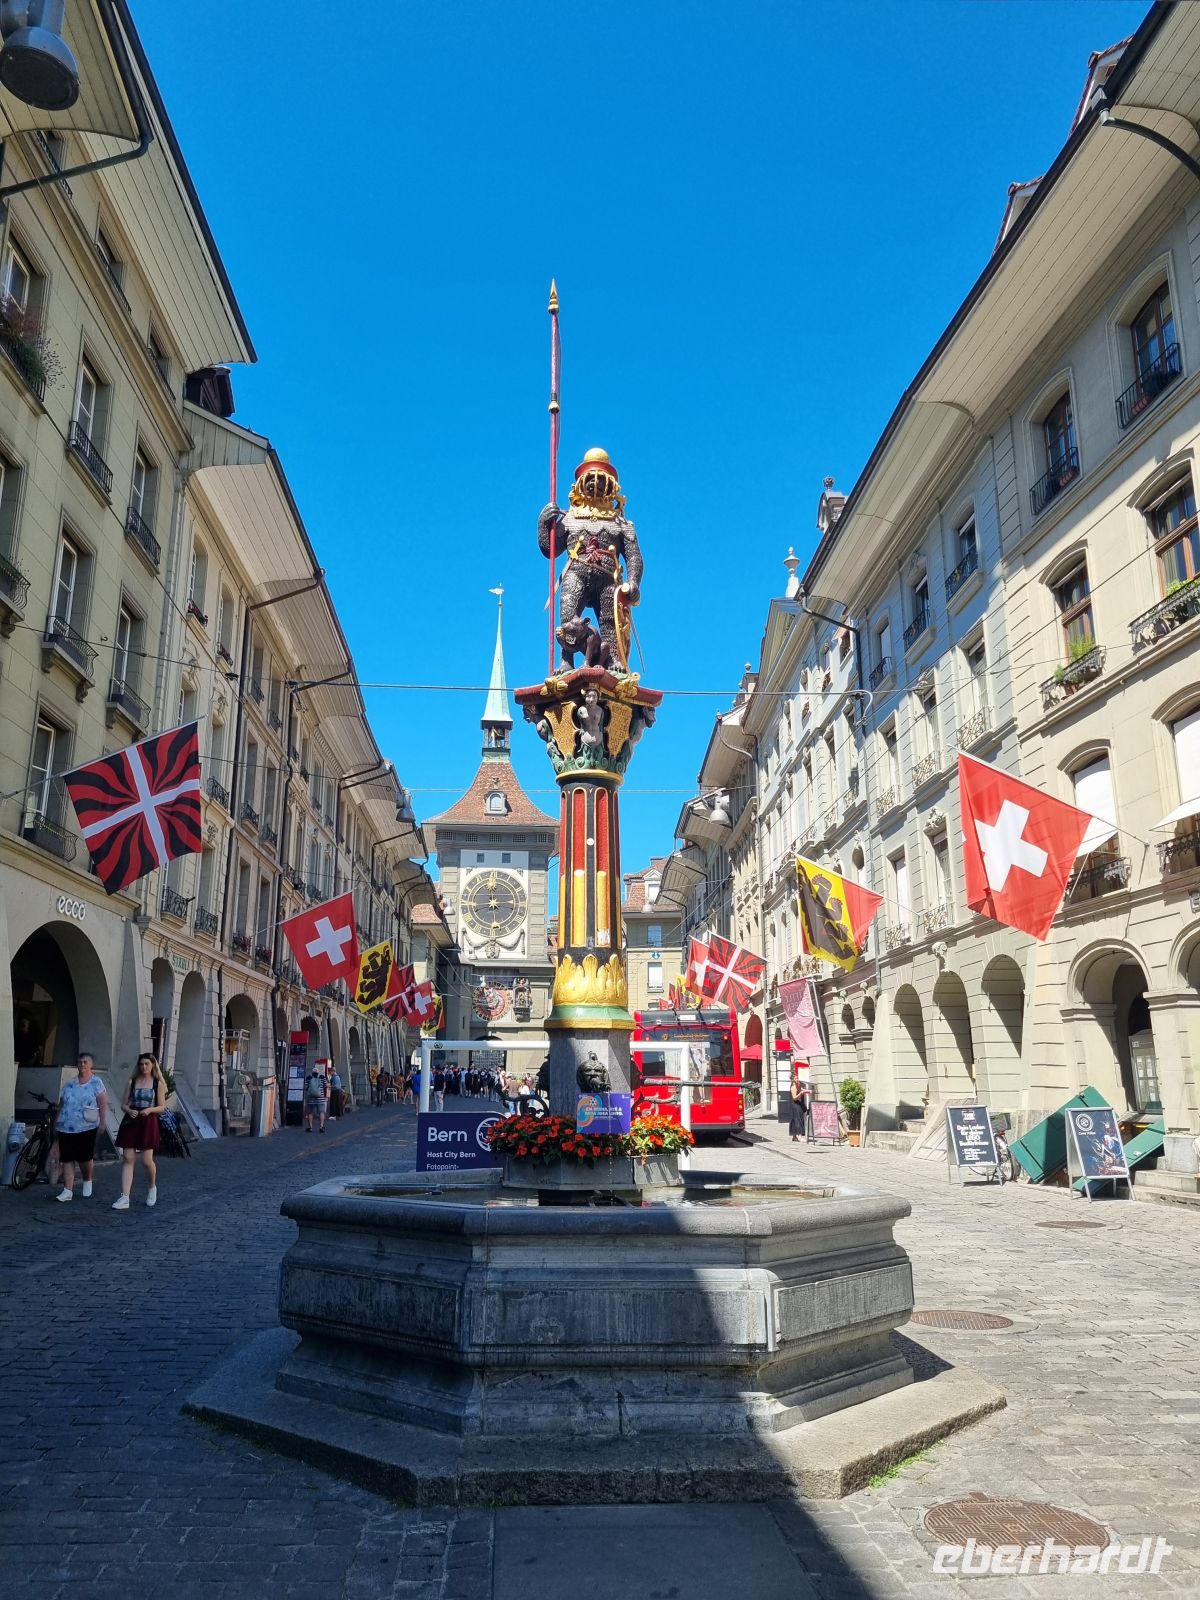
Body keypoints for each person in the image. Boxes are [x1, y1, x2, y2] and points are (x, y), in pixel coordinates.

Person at [112, 1052, 166, 1210]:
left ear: (153, 1065)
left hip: (148, 1121)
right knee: (128, 1158)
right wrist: (129, 1110)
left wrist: (150, 1110)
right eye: (141, 1064)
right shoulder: (132, 1082)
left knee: (147, 1160)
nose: (144, 1067)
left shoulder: (158, 1084)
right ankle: (125, 1197)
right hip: (131, 1121)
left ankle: (152, 1187)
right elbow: (124, 1104)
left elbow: (162, 1107)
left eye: (147, 1064)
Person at [55, 1053, 108, 1202]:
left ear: (91, 1065)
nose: (82, 1065)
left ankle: (87, 1179)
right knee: (67, 1158)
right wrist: (56, 1120)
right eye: (80, 1062)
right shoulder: (70, 1083)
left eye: (85, 1062)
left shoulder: (96, 1082)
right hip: (66, 1125)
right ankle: (68, 1190)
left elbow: (103, 1103)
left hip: (87, 1126)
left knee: (85, 1157)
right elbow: (62, 1103)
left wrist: (103, 1121)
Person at [788, 1069, 811, 1143]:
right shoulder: (793, 1087)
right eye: (795, 1078)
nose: (797, 1079)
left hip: (798, 1104)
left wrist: (808, 1091)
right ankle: (799, 1137)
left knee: (795, 1119)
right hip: (795, 1105)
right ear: (792, 1079)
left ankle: (794, 1136)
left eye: (797, 1077)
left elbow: (802, 1089)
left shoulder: (798, 1085)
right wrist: (801, 1093)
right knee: (798, 1120)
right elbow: (794, 1097)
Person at [303, 1065, 327, 1132]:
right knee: (321, 1112)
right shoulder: (322, 1078)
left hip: (311, 1099)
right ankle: (321, 1127)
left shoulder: (308, 1078)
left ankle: (310, 1127)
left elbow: (306, 1088)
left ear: (312, 1072)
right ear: (318, 1072)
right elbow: (325, 1086)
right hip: (320, 1098)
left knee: (310, 1113)